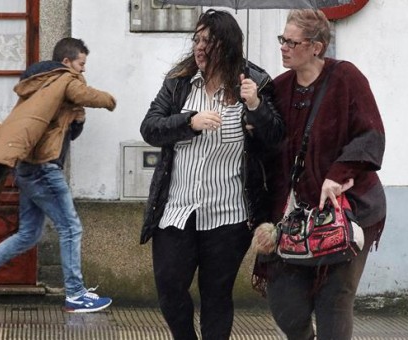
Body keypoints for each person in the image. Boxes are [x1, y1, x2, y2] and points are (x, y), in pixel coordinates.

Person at [139, 9, 284, 340]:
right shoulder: (179, 83)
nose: (200, 47)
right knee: (170, 287)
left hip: (228, 214)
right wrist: (188, 122)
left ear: (229, 45)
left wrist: (256, 106)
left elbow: (276, 138)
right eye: (197, 39)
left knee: (216, 295)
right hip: (176, 210)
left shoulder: (255, 83)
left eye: (209, 41)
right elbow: (150, 128)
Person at [0, 37, 116, 313]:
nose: (83, 71)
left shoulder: (43, 86)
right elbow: (88, 95)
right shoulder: (63, 79)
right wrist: (111, 100)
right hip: (43, 169)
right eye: (81, 64)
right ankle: (76, 294)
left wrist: (78, 119)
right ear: (66, 63)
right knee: (70, 228)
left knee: (29, 234)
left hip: (30, 167)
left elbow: (69, 134)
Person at [254, 9, 386, 340]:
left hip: (349, 212)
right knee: (285, 302)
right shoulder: (279, 88)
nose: (283, 47)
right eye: (282, 39)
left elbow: (371, 136)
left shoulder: (346, 78)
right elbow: (267, 147)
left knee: (334, 301)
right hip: (295, 216)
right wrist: (254, 113)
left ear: (316, 46)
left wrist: (338, 173)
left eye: (291, 41)